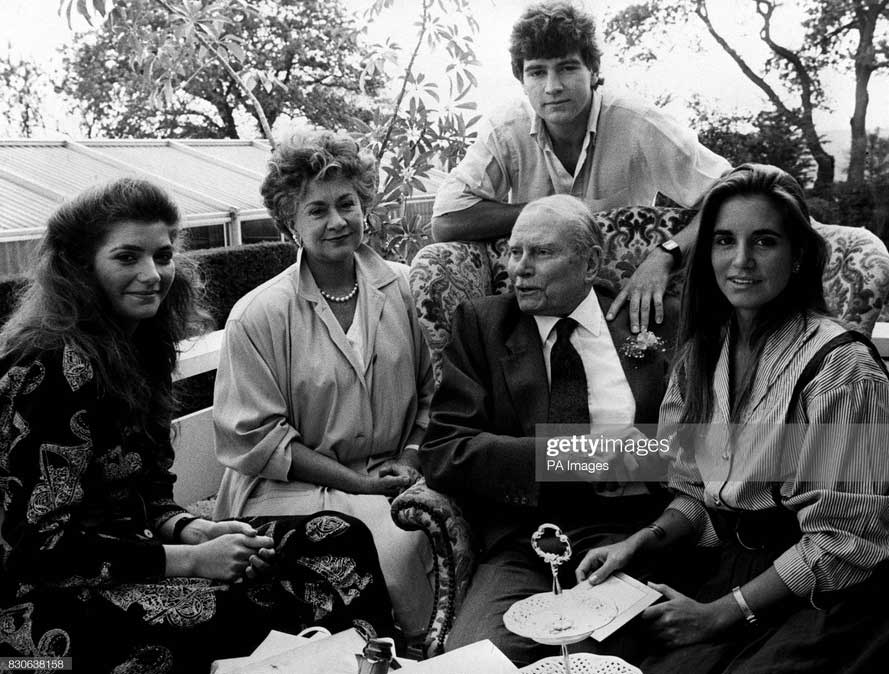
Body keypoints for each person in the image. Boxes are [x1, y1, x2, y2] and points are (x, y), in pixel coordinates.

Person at [0, 179, 394, 674]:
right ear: (80, 266)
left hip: (137, 557)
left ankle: (373, 665)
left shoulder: (137, 350)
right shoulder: (51, 366)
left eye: (163, 256)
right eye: (127, 257)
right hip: (41, 614)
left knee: (337, 536)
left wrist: (197, 529)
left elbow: (148, 494)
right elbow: (40, 548)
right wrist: (189, 560)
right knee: (256, 606)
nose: (152, 275)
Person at [575, 164, 889, 673]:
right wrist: (641, 541)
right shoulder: (702, 356)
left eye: (764, 241)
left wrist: (722, 614)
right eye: (724, 241)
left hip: (822, 595)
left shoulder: (844, 371)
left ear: (798, 255)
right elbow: (699, 495)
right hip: (727, 568)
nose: (741, 260)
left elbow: (847, 541)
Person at [420, 194, 680, 665]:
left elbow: (709, 447)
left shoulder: (653, 322)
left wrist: (637, 458)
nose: (518, 268)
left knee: (585, 658)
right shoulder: (483, 325)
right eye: (514, 251)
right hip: (523, 539)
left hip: (626, 536)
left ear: (590, 263)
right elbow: (443, 450)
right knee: (474, 660)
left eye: (540, 253)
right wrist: (571, 455)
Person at [212, 130, 434, 637]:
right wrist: (359, 485)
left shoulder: (406, 288)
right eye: (317, 210)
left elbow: (433, 390)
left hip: (392, 472)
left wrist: (411, 456)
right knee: (391, 550)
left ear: (364, 206)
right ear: (289, 221)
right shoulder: (258, 315)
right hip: (288, 488)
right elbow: (259, 439)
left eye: (346, 204)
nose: (337, 221)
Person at [431, 0, 729, 332]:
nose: (552, 87)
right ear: (521, 78)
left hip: (623, 304)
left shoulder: (637, 121)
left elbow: (732, 192)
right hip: (537, 305)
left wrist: (666, 254)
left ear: (594, 71)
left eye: (568, 68)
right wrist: (553, 210)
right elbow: (446, 221)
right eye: (537, 72)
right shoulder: (506, 129)